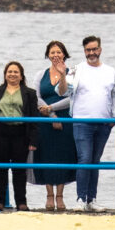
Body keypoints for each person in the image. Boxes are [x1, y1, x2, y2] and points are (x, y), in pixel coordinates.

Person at [65, 34, 115, 211]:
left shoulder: (110, 71)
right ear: (84, 51)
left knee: (95, 161)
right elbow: (64, 92)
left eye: (94, 49)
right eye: (88, 50)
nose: (91, 53)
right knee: (84, 159)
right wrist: (62, 75)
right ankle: (80, 199)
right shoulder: (76, 69)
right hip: (81, 122)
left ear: (100, 49)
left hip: (103, 123)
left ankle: (92, 199)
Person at [0, 60, 43, 210]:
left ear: (21, 76)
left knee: (19, 169)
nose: (12, 74)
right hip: (0, 132)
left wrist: (33, 140)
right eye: (9, 72)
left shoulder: (30, 93)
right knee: (0, 168)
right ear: (5, 75)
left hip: (21, 133)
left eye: (15, 72)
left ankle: (21, 202)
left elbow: (33, 118)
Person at [32, 42, 79, 213]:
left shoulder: (72, 72)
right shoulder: (40, 74)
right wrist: (50, 114)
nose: (56, 55)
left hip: (65, 119)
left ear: (64, 54)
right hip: (45, 119)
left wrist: (53, 109)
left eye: (59, 52)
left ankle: (60, 195)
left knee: (63, 156)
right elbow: (36, 96)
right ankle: (49, 195)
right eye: (52, 52)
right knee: (46, 155)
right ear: (48, 55)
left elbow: (71, 97)